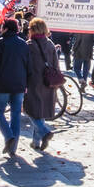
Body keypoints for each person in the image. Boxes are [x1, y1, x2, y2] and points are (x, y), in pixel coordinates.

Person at [0, 19, 31, 155]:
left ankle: (8, 136)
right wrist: (27, 84)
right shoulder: (23, 44)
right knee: (16, 114)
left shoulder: (0, 43)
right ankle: (13, 148)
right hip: (19, 84)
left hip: (3, 84)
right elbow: (29, 66)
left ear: (5, 28)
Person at [25, 17, 60, 151]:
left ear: (33, 30)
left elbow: (25, 65)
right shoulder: (50, 43)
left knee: (30, 109)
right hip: (48, 81)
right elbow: (56, 63)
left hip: (33, 81)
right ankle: (36, 142)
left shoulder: (29, 45)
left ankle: (44, 132)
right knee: (41, 111)